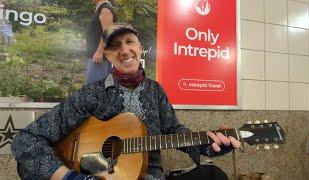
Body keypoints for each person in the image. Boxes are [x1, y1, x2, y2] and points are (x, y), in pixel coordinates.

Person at [11, 22, 240, 180]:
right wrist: (70, 176)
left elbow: (174, 131)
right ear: (108, 55)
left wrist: (209, 145)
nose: (124, 50)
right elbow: (26, 139)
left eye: (130, 42)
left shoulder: (155, 91)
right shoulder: (91, 94)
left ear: (140, 49)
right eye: (115, 46)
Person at [86, 0, 117, 84]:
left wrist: (100, 51)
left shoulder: (105, 10)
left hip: (99, 57)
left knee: (94, 88)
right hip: (97, 54)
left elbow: (108, 33)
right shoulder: (101, 8)